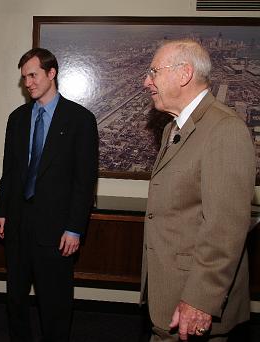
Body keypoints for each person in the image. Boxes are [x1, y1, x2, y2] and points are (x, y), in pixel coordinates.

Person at [141, 39, 256, 341]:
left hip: (193, 302)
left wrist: (200, 300)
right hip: (171, 291)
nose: (146, 81)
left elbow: (225, 228)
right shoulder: (174, 127)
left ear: (184, 74)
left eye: (153, 71)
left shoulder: (225, 129)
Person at [0, 48, 98, 341]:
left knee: (55, 304)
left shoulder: (80, 119)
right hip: (17, 225)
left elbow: (84, 181)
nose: (28, 82)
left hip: (57, 230)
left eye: (33, 75)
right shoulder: (17, 118)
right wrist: (1, 211)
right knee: (15, 300)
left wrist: (75, 229)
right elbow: (10, 170)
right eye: (24, 77)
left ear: (51, 73)